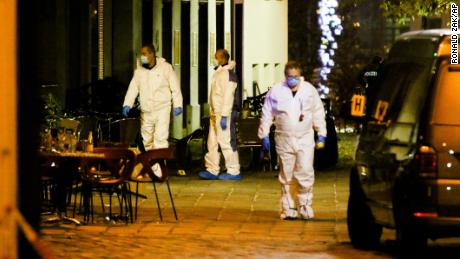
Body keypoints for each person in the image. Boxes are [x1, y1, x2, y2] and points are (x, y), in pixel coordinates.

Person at [258, 60, 327, 220]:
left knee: (305, 171)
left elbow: (317, 111)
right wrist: (264, 135)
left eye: (295, 76)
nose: (293, 79)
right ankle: (288, 207)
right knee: (286, 174)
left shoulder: (309, 91)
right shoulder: (276, 92)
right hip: (284, 138)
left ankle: (304, 205)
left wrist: (321, 132)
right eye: (290, 76)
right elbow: (267, 113)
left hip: (305, 138)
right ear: (285, 76)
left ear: (300, 75)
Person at [122, 43, 183, 162]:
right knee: (147, 141)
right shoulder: (139, 71)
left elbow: (175, 87)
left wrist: (178, 105)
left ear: (152, 54)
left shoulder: (166, 68)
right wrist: (127, 104)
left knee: (160, 139)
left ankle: (159, 171)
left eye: (144, 54)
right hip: (146, 111)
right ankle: (152, 168)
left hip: (162, 109)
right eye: (141, 54)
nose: (142, 57)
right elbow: (133, 88)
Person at [199, 49, 241, 180]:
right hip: (215, 113)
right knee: (212, 142)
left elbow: (228, 97)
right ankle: (212, 168)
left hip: (224, 114)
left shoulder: (229, 75)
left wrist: (224, 115)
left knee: (226, 141)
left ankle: (233, 170)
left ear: (223, 58)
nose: (214, 59)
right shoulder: (219, 73)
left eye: (216, 57)